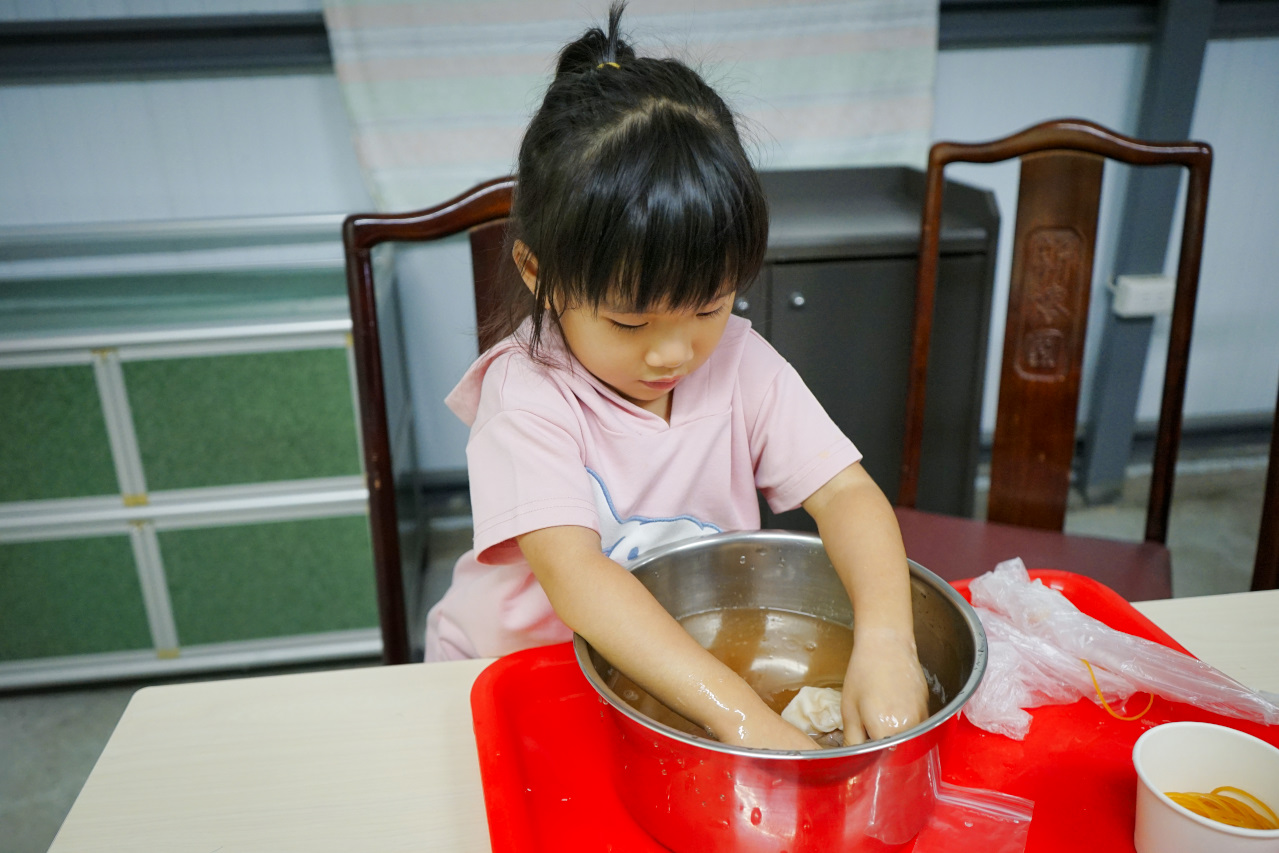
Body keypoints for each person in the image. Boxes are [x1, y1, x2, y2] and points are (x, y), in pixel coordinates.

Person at [425, 2, 928, 751]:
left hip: (674, 675)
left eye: (707, 306)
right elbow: (577, 576)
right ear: (539, 273)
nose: (673, 354)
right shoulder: (526, 395)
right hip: (514, 680)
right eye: (630, 323)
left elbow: (846, 493)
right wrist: (742, 717)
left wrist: (888, 641)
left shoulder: (741, 365)